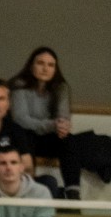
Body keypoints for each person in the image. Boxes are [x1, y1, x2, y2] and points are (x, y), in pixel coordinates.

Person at [9, 47, 111, 202]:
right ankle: (26, 189)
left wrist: (62, 127)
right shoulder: (19, 85)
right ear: (31, 66)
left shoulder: (60, 87)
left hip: (48, 138)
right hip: (23, 136)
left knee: (69, 141)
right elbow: (21, 119)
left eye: (51, 65)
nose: (45, 68)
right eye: (41, 63)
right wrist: (53, 125)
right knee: (26, 135)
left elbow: (62, 117)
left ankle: (72, 193)